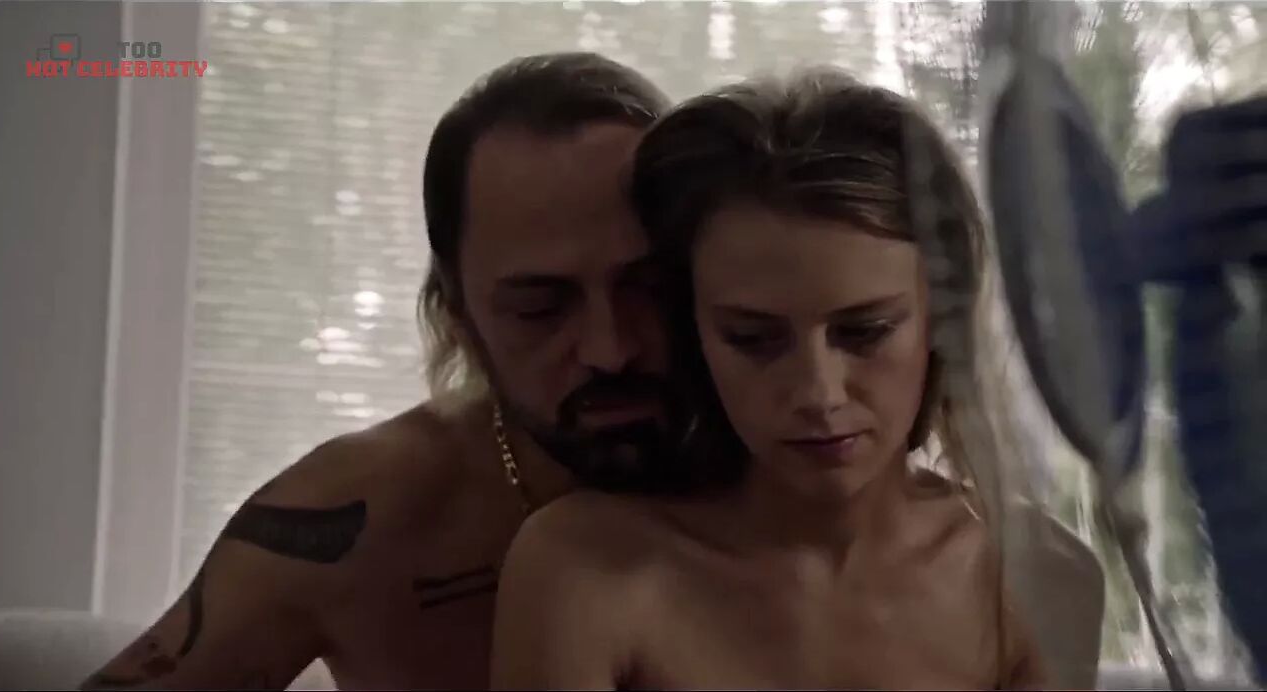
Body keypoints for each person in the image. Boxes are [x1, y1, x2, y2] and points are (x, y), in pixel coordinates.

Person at [490, 68, 1106, 690]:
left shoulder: (1038, 577)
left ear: (939, 320)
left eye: (864, 332)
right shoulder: (588, 573)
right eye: (753, 339)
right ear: (694, 333)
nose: (818, 394)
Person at [80, 52, 678, 690]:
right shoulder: (368, 512)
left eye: (650, 286)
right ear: (457, 310)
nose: (611, 349)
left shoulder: (759, 467)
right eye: (539, 307)